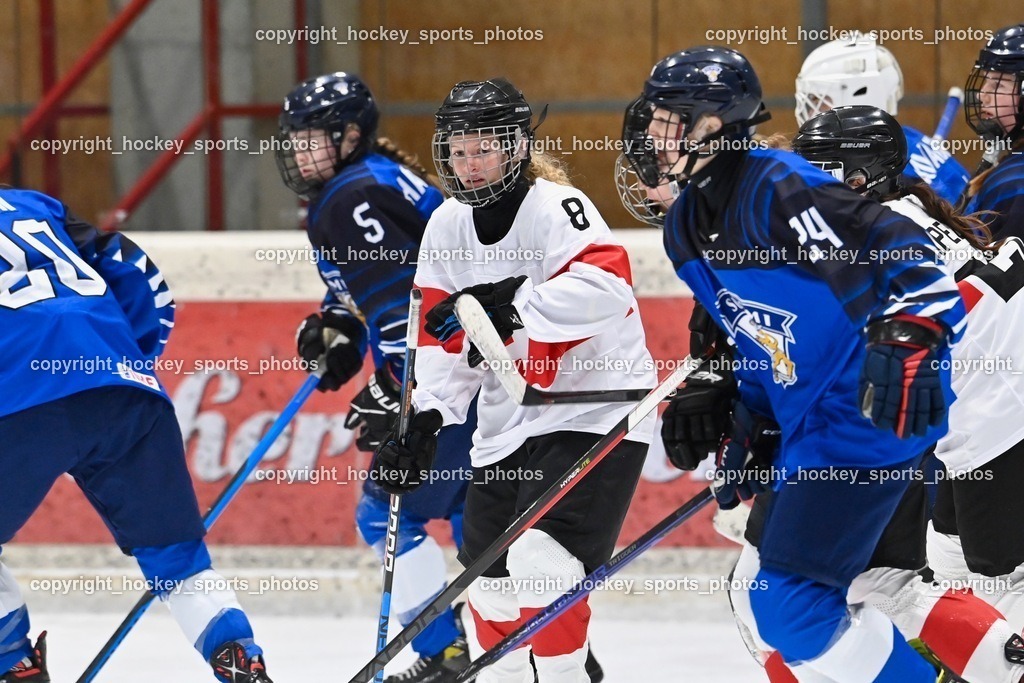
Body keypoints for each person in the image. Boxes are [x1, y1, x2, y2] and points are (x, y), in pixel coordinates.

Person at [620, 47, 968, 681]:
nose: (653, 133)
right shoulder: (685, 229)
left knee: (790, 608)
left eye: (670, 119)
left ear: (713, 127)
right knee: (776, 602)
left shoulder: (778, 187)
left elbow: (913, 262)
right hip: (808, 425)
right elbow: (759, 338)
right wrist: (747, 414)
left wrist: (909, 337)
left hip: (869, 413)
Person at [727, 104, 1024, 683]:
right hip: (973, 412)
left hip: (995, 415)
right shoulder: (902, 213)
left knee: (979, 581)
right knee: (911, 576)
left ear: (862, 177)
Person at [372, 77, 653, 683]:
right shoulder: (446, 226)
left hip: (595, 408)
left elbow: (608, 289)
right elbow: (442, 340)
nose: (469, 164)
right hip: (508, 423)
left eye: (484, 149)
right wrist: (425, 419)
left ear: (518, 146)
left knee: (542, 563)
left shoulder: (558, 207)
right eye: (458, 151)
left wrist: (512, 304)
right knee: (490, 586)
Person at [0, 187, 271, 682]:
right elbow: (135, 270)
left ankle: (13, 665)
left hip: (18, 400)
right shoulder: (36, 205)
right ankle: (239, 657)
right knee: (179, 559)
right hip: (127, 392)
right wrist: (128, 362)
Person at [274, 72, 477, 682]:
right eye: (295, 141)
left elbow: (406, 305)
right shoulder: (368, 181)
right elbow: (384, 286)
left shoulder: (351, 197)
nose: (300, 153)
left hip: (448, 384)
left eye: (313, 139)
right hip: (480, 376)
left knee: (388, 514)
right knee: (476, 515)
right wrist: (338, 325)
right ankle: (535, 647)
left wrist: (396, 386)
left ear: (351, 135)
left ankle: (449, 651)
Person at [795, 31, 970, 204]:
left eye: (817, 100)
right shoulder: (907, 138)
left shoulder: (881, 171)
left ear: (858, 95)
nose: (811, 114)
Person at [963, 23, 1024, 240]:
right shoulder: (1010, 166)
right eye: (986, 82)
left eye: (998, 85)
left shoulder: (1014, 184)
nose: (982, 95)